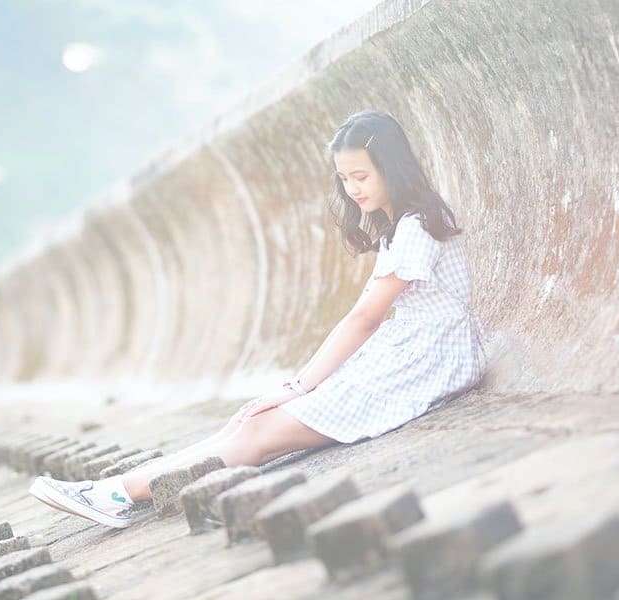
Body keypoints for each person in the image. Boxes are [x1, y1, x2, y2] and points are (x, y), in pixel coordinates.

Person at [29, 109, 489, 529]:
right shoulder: (400, 225)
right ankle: (114, 490)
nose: (353, 188)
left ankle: (114, 495)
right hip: (406, 355)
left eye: (362, 175)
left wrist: (298, 385)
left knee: (262, 431)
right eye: (344, 178)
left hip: (429, 361)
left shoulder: (416, 225)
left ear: (393, 167)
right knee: (245, 423)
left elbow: (363, 319)